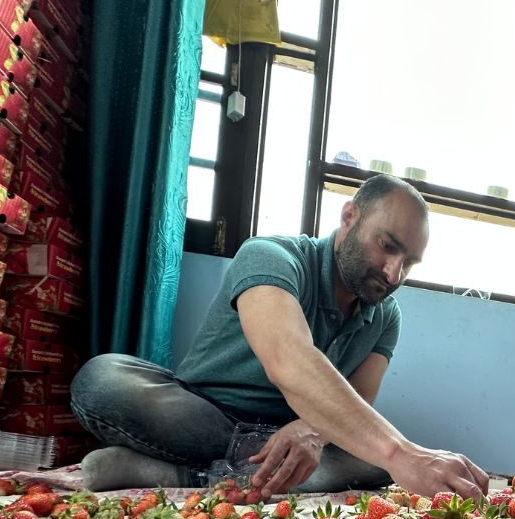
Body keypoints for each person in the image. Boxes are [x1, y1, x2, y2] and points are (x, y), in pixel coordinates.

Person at [70, 174, 490, 499]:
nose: (393, 273)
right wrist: (401, 453)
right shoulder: (271, 256)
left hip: (293, 434)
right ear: (349, 217)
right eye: (387, 246)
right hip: (205, 413)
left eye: (409, 263)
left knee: (374, 465)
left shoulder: (386, 317)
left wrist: (313, 430)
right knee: (103, 380)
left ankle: (185, 474)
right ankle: (250, 469)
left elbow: (358, 400)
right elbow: (289, 359)